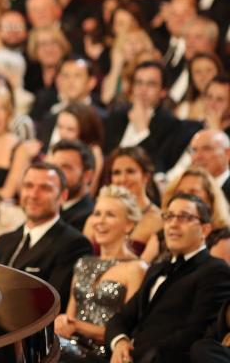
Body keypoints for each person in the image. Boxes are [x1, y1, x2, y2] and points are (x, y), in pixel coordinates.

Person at [107, 193, 230, 363]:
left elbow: (195, 332)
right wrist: (120, 343)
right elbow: (120, 318)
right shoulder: (156, 269)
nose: (173, 224)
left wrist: (136, 355)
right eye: (169, 216)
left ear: (205, 229)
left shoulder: (215, 270)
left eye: (184, 217)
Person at [55, 186, 148, 362]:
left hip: (106, 354)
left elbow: (129, 330)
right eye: (97, 214)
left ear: (129, 224)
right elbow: (69, 319)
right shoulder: (83, 263)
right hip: (69, 348)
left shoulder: (136, 268)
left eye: (110, 215)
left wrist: (76, 326)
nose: (100, 221)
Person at [0, 162, 92, 307]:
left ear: (63, 196)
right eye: (28, 186)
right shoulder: (5, 240)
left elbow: (52, 301)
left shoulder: (74, 244)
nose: (33, 195)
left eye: (45, 188)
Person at [49, 138, 97, 231]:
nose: (57, 173)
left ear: (87, 176)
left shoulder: (89, 217)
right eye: (54, 167)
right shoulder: (50, 208)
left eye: (66, 167)